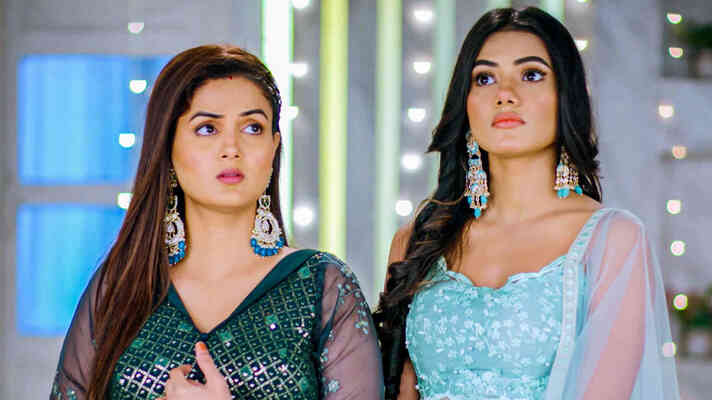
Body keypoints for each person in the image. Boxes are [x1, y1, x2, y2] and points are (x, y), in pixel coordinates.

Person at [374, 7, 679, 400]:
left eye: (531, 74)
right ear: (465, 104)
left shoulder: (612, 240)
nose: (505, 95)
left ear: (565, 97)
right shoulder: (419, 241)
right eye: (484, 78)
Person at [51, 44, 383, 400]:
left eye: (252, 128)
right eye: (207, 128)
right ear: (168, 147)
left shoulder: (321, 287)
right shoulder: (120, 287)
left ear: (273, 148)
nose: (232, 148)